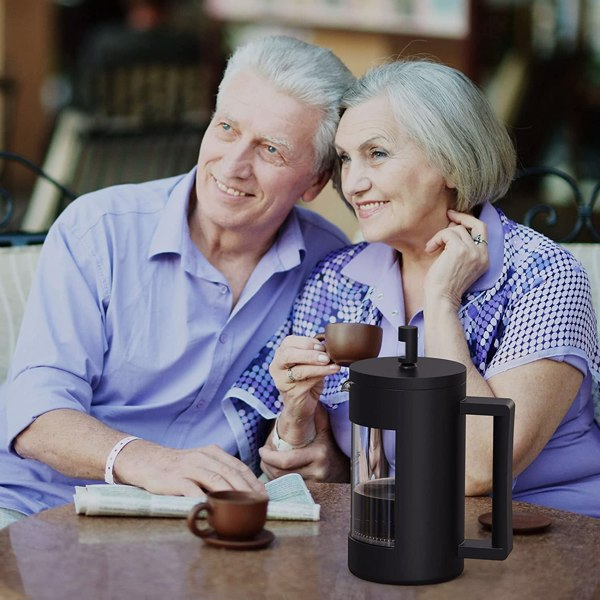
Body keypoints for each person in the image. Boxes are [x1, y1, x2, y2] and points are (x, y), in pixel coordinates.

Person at [0, 35, 354, 528]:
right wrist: (148, 459)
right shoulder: (98, 230)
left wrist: (327, 465)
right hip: (40, 508)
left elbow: (330, 444)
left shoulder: (333, 268)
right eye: (227, 128)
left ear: (314, 182)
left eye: (271, 149)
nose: (233, 165)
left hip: (209, 529)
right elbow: (35, 414)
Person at [234, 59, 600, 517]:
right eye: (346, 158)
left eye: (378, 154)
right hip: (397, 530)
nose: (354, 183)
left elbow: (479, 469)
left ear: (451, 161)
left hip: (545, 531)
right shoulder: (338, 280)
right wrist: (299, 424)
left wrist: (441, 303)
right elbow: (312, 465)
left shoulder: (543, 276)